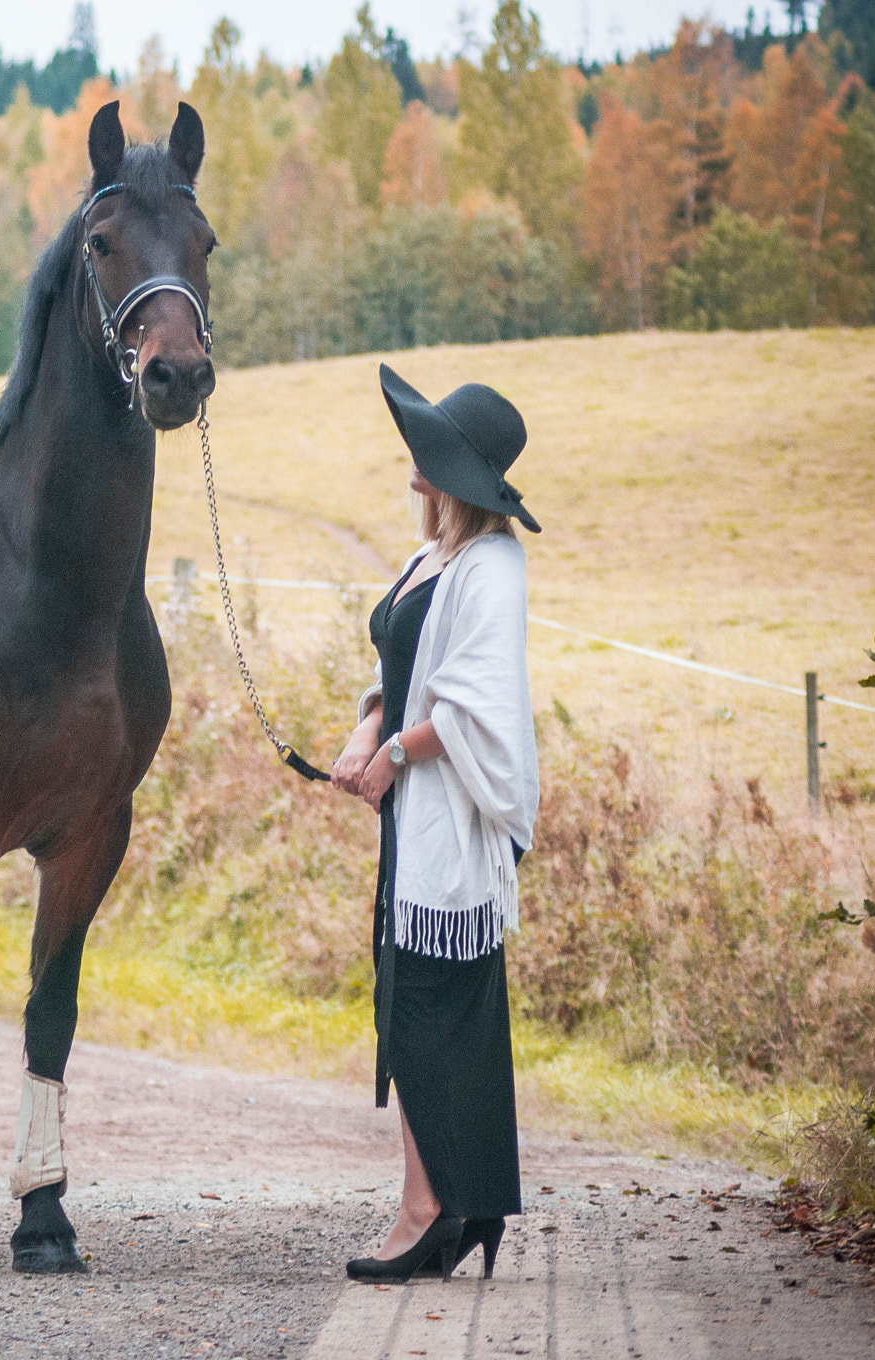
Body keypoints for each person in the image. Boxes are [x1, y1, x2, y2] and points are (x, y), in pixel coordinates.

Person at [330, 364, 541, 1284]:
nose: (416, 466)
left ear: (462, 476)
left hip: (449, 833)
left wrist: (399, 754)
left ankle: (432, 1210)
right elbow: (402, 661)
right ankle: (455, 1204)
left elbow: (476, 703)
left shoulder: (493, 566)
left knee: (427, 1013)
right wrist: (366, 730)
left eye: (433, 455)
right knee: (415, 1009)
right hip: (412, 824)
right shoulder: (434, 560)